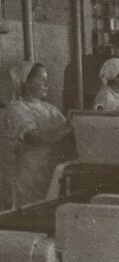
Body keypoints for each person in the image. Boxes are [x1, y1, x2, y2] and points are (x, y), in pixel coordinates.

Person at [5, 61, 72, 207]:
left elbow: (69, 132)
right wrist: (70, 128)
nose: (47, 84)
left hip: (51, 174)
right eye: (42, 79)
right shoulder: (16, 109)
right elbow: (36, 138)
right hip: (30, 177)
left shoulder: (50, 109)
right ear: (26, 82)